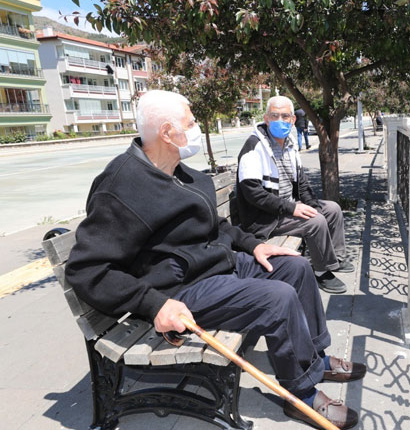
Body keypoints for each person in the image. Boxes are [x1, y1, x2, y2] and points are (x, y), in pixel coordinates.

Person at [64, 90, 364, 430]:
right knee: (276, 299)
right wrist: (153, 304)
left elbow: (218, 225)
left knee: (294, 267)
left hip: (219, 264)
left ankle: (315, 357)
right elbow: (87, 269)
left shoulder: (181, 172)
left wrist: (253, 246)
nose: (197, 128)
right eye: (191, 123)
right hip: (181, 289)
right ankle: (301, 394)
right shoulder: (122, 186)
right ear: (166, 132)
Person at [237, 96, 353, 294]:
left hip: (285, 208)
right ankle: (321, 272)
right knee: (315, 221)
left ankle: (335, 260)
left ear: (293, 120)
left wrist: (312, 204)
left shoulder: (290, 144)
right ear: (266, 118)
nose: (280, 120)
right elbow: (252, 193)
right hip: (265, 217)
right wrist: (293, 208)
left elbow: (302, 183)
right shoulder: (254, 146)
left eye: (285, 116)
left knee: (332, 209)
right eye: (274, 115)